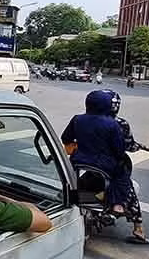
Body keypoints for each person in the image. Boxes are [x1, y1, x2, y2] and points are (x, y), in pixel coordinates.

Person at [61, 90, 143, 241]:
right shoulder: (114, 124)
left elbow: (65, 138)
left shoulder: (77, 119)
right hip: (104, 165)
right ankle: (119, 206)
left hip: (79, 161)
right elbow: (119, 150)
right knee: (123, 176)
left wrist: (81, 146)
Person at [104, 90, 149, 243]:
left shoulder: (81, 119)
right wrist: (139, 146)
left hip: (84, 162)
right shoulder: (119, 123)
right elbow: (129, 145)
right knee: (127, 186)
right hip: (111, 165)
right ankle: (138, 228)